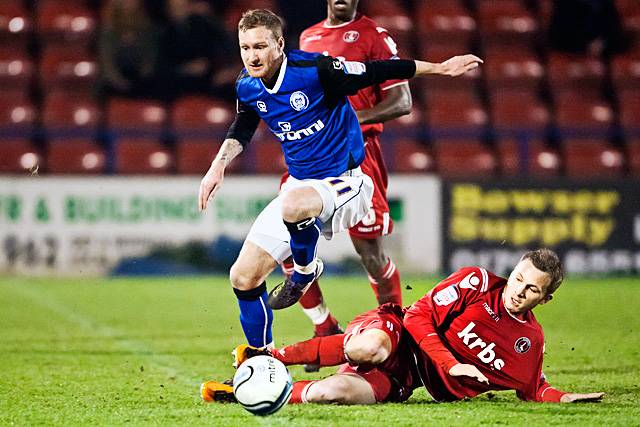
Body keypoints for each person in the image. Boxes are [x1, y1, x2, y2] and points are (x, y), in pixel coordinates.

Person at [197, 8, 481, 349]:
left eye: (260, 46)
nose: (252, 56)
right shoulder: (247, 85)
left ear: (279, 44)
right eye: (245, 48)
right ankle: (262, 359)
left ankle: (305, 271)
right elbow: (242, 127)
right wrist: (217, 166)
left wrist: (439, 68)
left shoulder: (316, 70)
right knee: (242, 277)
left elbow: (378, 70)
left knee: (298, 207)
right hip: (301, 187)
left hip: (347, 182)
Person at [202, 249, 604, 405]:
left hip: (408, 379)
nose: (519, 291)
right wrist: (451, 365)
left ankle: (242, 393)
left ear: (544, 299)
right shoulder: (477, 282)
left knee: (332, 392)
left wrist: (565, 398)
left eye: (532, 289)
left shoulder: (528, 341)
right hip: (397, 331)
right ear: (513, 270)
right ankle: (266, 356)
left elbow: (534, 388)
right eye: (519, 279)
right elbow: (417, 315)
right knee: (370, 348)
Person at [279, 0, 413, 370]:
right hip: (313, 152)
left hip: (358, 154)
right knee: (286, 243)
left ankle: (396, 330)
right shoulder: (308, 37)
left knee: (369, 252)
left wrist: (350, 119)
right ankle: (324, 327)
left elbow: (402, 102)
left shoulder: (375, 36)